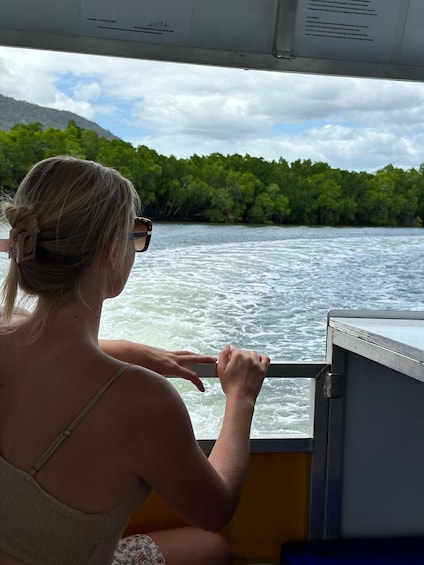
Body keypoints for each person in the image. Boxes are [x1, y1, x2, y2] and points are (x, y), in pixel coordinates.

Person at [0, 156, 270, 565]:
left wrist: (122, 349)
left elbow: (45, 349)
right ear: (111, 251)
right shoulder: (143, 402)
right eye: (136, 234)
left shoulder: (7, 332)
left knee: (204, 549)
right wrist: (241, 397)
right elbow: (216, 510)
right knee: (213, 545)